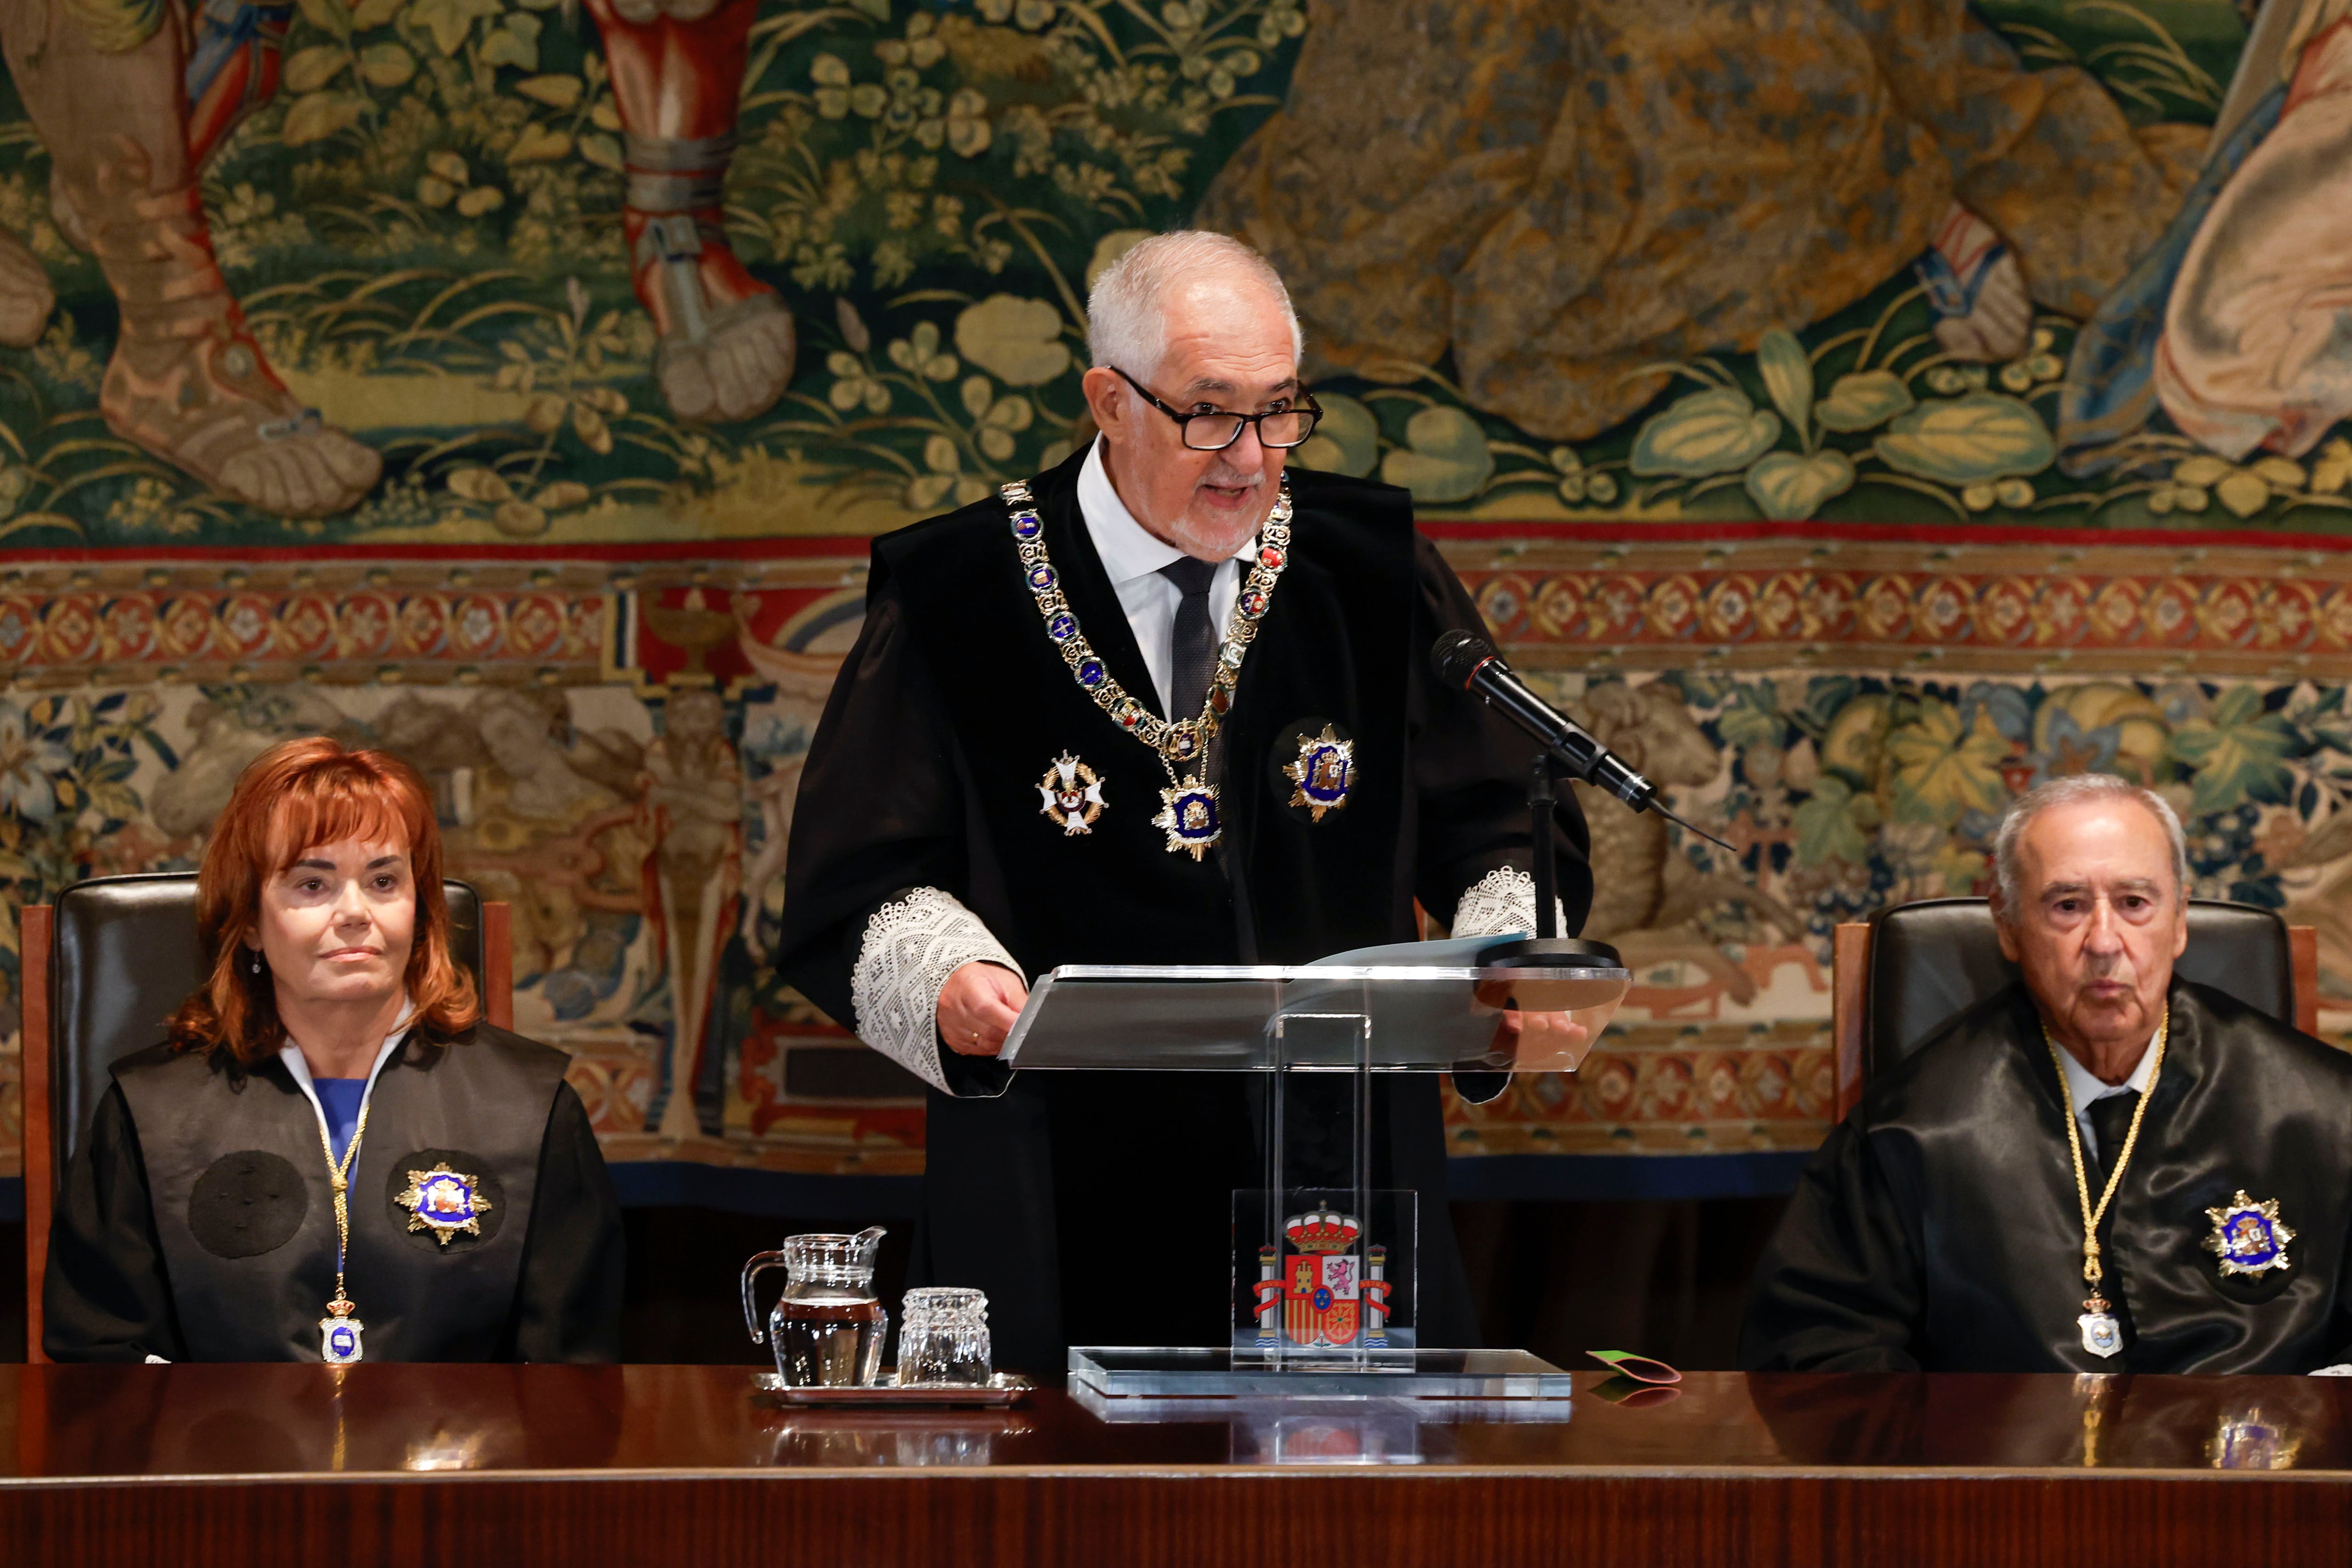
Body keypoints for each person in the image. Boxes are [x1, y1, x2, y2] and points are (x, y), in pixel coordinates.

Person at [778, 230, 1597, 1373]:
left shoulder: (1367, 569)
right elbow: (856, 877)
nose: (1250, 459)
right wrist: (949, 980)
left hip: (1337, 1174)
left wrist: (1508, 957)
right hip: (1049, 1171)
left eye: (1279, 411)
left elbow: (1499, 819)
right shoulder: (956, 588)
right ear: (1108, 401)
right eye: (1208, 414)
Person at [1742, 772, 2352, 1373]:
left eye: (2135, 902)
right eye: (2068, 906)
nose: (2105, 941)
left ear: (2180, 920)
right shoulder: (1910, 1131)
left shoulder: (2329, 1111)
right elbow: (1818, 1349)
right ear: (2008, 926)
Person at [45, 738, 624, 1362]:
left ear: (420, 909)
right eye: (313, 883)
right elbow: (100, 1362)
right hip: (226, 1454)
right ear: (247, 923)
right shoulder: (146, 1114)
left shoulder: (534, 1110)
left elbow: (572, 1381)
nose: (355, 912)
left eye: (383, 880)